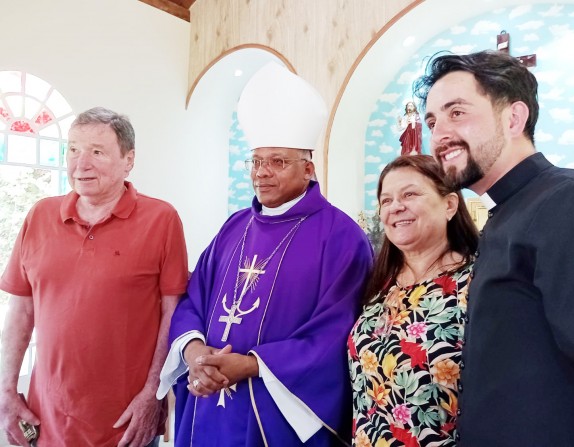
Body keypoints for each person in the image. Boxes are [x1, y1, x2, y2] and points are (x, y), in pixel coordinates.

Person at [416, 50, 574, 445]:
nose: (439, 134)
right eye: (432, 120)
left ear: (513, 118)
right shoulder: (507, 215)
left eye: (457, 112)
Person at [157, 62, 374, 446]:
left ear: (308, 168)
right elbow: (194, 298)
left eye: (277, 161)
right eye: (256, 161)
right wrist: (194, 355)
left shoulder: (341, 237)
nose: (262, 173)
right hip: (207, 402)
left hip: (276, 413)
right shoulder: (233, 227)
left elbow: (337, 330)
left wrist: (253, 364)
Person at [0, 107, 189, 447]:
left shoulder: (162, 219)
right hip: (47, 420)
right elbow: (21, 313)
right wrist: (6, 391)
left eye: (97, 152)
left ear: (128, 160)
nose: (80, 163)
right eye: (73, 149)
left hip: (125, 425)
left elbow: (172, 314)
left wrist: (153, 394)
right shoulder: (40, 215)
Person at [349, 155, 478, 447]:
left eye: (410, 194)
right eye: (386, 200)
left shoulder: (477, 282)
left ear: (449, 205)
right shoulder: (378, 285)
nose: (395, 207)